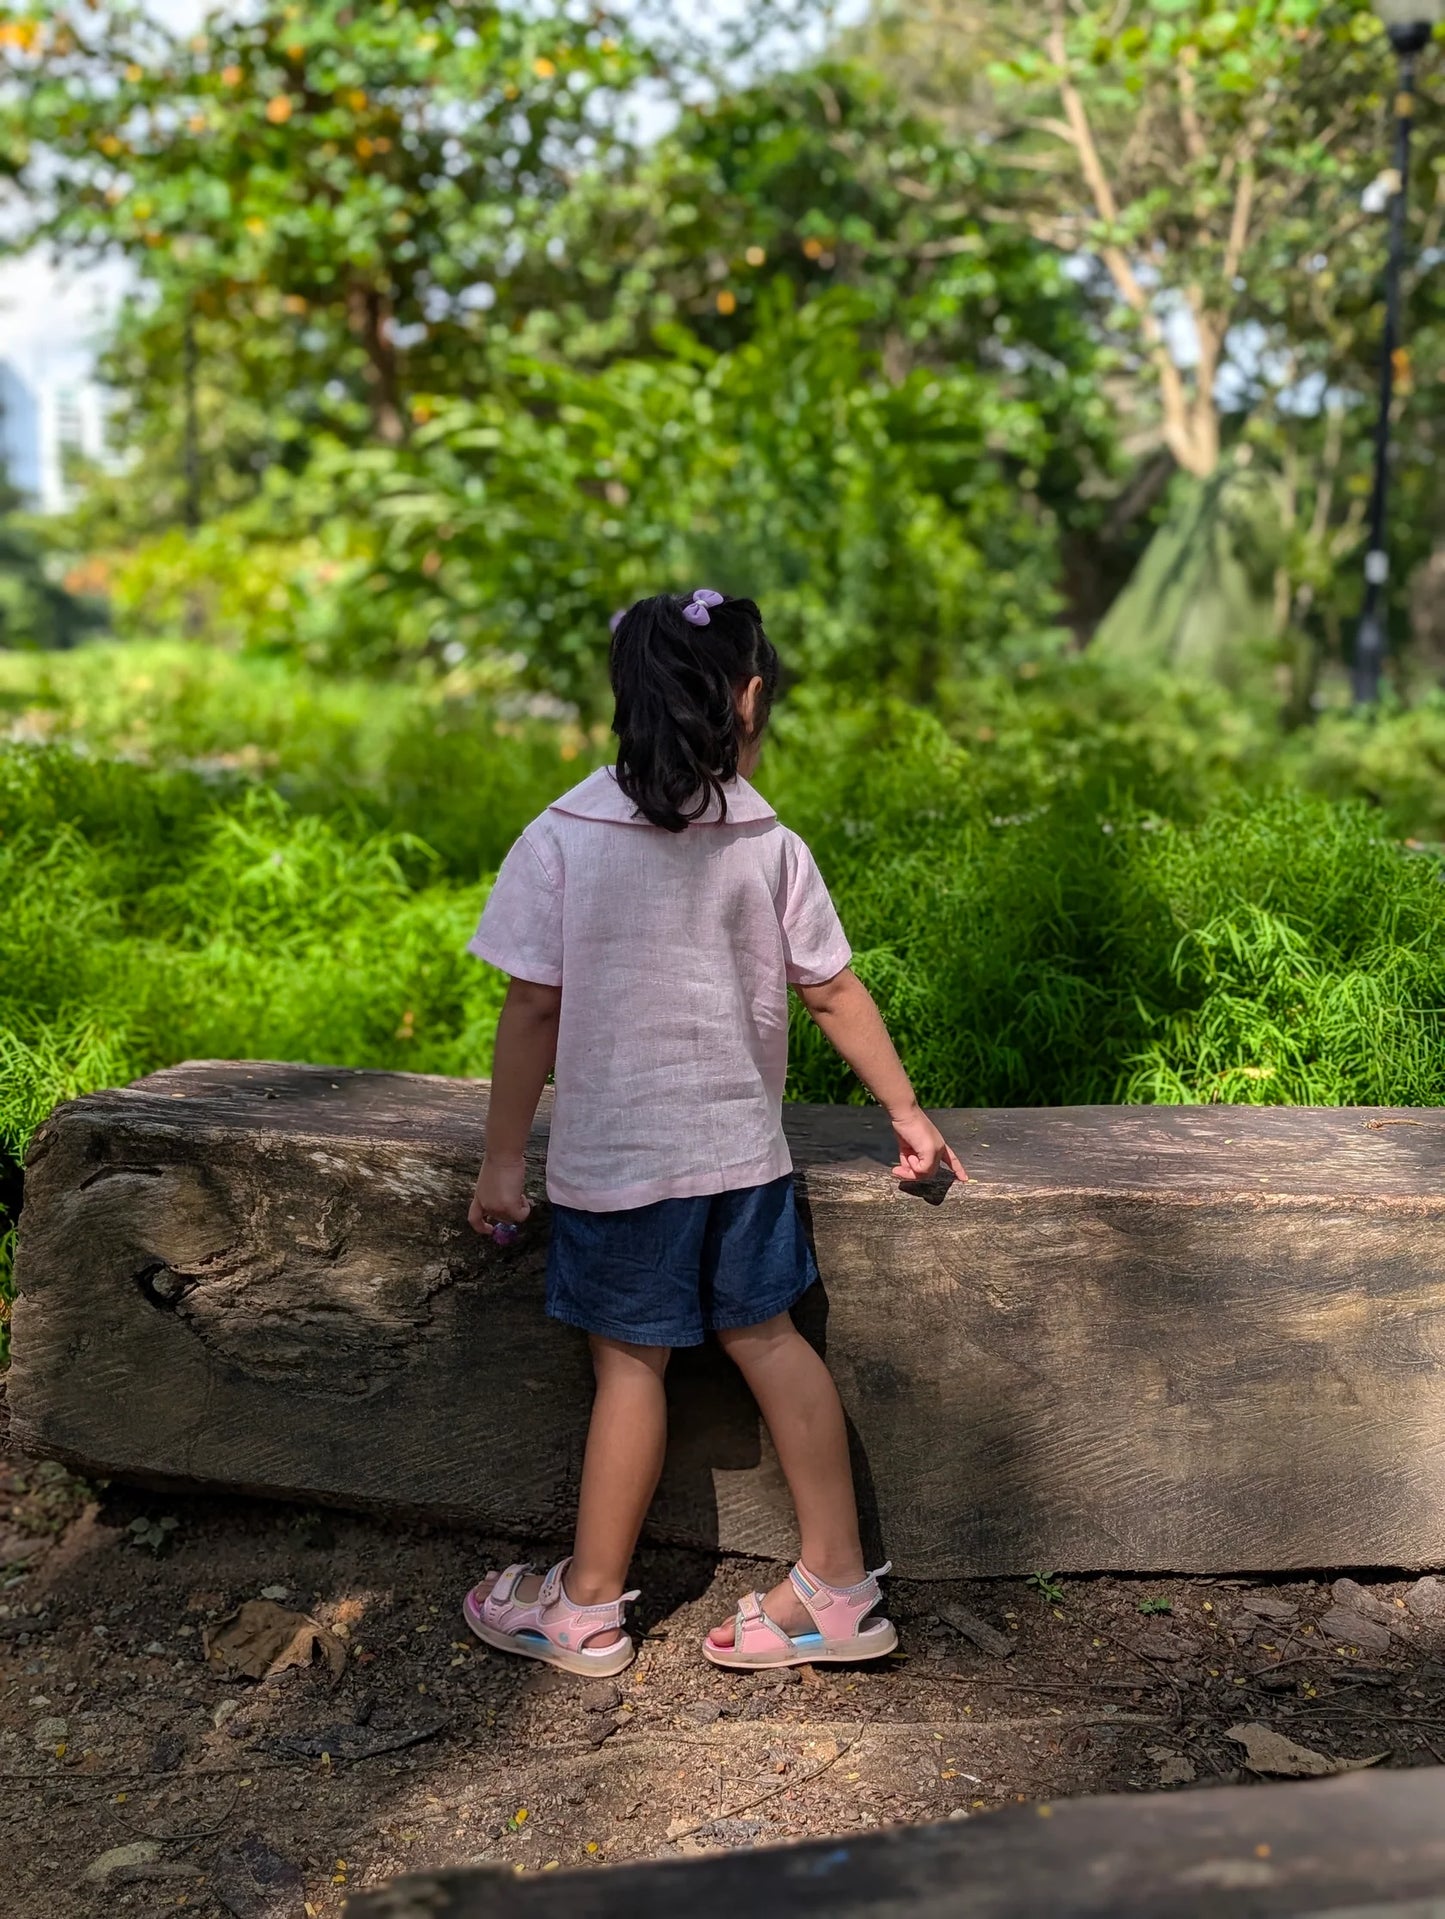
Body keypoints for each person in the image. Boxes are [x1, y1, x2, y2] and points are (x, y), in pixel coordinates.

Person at [461, 588, 965, 1677]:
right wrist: (905, 1111)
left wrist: (505, 1159)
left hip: (617, 1168)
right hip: (742, 1162)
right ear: (746, 699)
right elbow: (830, 989)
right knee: (772, 1341)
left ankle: (588, 1605)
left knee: (629, 1369)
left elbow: (532, 1007)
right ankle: (835, 1581)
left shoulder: (562, 836)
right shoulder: (765, 839)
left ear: (619, 700)